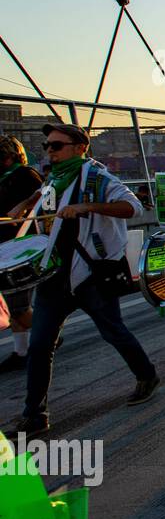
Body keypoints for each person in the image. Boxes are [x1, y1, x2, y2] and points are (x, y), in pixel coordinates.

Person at [8, 123, 161, 434]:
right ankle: (34, 415)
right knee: (39, 345)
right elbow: (45, 194)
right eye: (47, 146)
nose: (50, 151)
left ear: (80, 148)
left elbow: (132, 207)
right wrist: (26, 204)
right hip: (54, 276)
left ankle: (146, 374)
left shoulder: (98, 177)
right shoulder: (55, 178)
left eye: (57, 146)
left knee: (113, 332)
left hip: (90, 274)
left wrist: (86, 207)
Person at [0, 136, 45, 373]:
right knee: (12, 301)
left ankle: (47, 335)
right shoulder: (4, 179)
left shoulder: (25, 175)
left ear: (9, 157)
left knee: (18, 305)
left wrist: (24, 205)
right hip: (4, 248)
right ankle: (21, 351)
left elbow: (45, 192)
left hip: (19, 248)